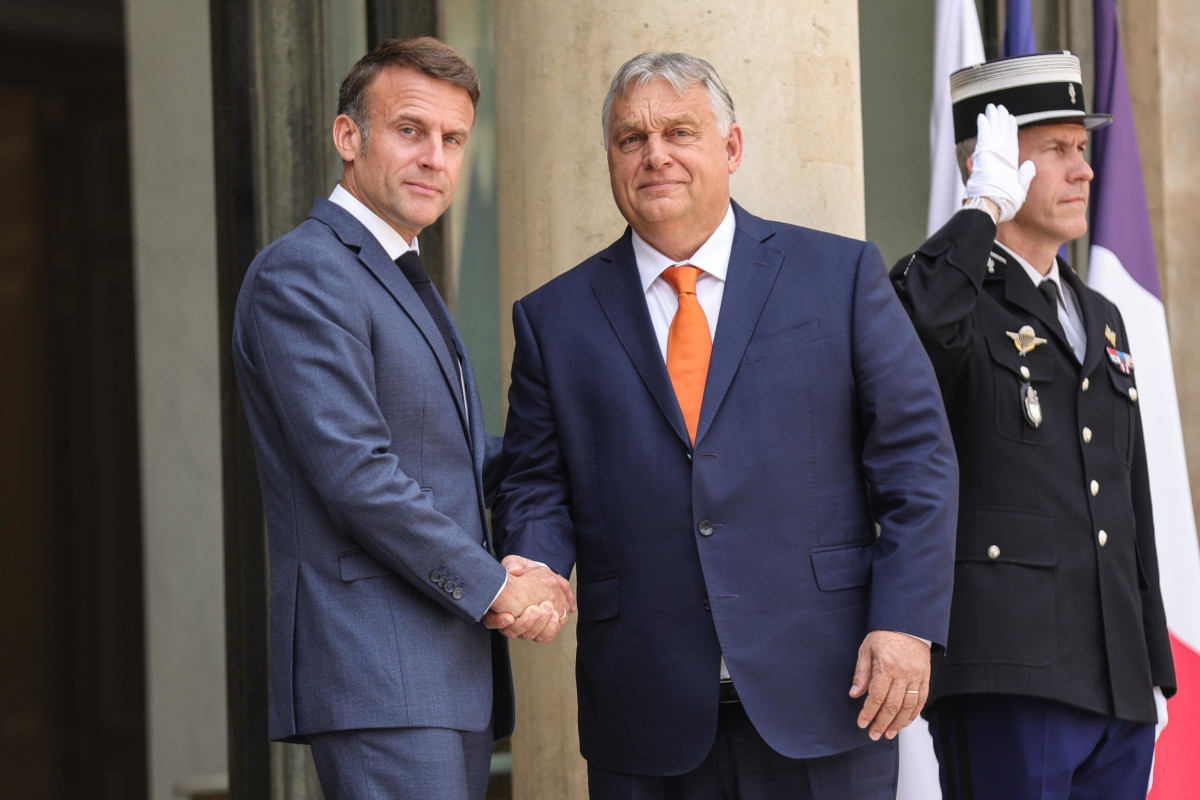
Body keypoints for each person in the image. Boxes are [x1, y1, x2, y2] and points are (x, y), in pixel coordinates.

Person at [491, 50, 958, 799]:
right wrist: (535, 562)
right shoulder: (554, 319)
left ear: (731, 147)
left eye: (680, 131)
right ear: (610, 158)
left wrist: (906, 623)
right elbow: (537, 483)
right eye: (631, 138)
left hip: (828, 693)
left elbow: (917, 463)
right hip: (646, 711)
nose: (655, 155)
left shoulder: (838, 277)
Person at [232, 37, 572, 800]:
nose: (434, 158)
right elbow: (358, 475)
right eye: (410, 130)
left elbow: (443, 458)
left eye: (453, 139)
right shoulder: (304, 272)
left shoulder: (394, 271)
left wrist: (577, 455)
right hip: (380, 673)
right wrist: (496, 586)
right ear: (348, 137)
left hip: (439, 676)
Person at [890, 52, 1176, 800]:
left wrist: (1151, 663)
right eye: (1055, 149)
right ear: (985, 164)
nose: (1083, 169)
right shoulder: (947, 291)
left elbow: (1130, 492)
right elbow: (913, 337)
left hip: (1114, 675)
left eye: (1082, 147)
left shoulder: (1099, 314)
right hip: (1009, 666)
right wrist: (979, 211)